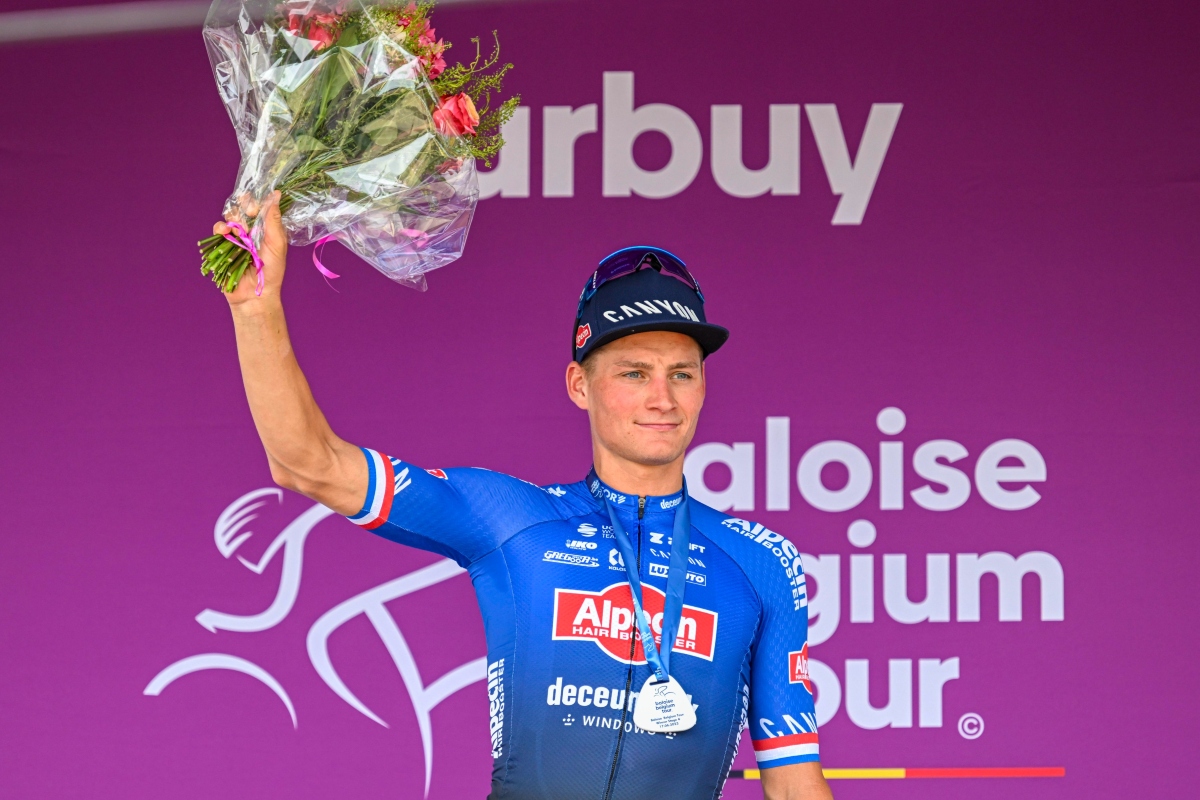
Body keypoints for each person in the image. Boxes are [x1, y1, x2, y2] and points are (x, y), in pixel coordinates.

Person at [213, 193, 834, 800]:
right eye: (633, 373)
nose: (662, 399)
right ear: (579, 385)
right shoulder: (510, 518)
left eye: (682, 374)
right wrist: (256, 309)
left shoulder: (761, 563)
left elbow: (793, 784)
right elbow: (308, 463)